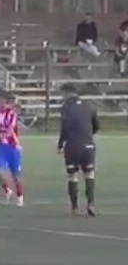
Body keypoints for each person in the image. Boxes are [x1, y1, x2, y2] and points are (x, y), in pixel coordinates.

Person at [57, 82, 100, 216]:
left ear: (67, 93)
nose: (61, 97)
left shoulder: (65, 108)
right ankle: (91, 204)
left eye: (62, 94)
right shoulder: (90, 106)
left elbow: (65, 128)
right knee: (89, 174)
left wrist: (60, 144)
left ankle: (75, 208)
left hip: (72, 146)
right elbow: (97, 125)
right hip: (87, 144)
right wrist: (86, 135)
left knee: (73, 176)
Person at [0, 91, 24, 206]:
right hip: (1, 146)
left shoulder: (11, 114)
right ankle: (8, 190)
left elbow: (9, 132)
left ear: (4, 101)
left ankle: (20, 196)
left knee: (16, 175)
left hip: (12, 147)